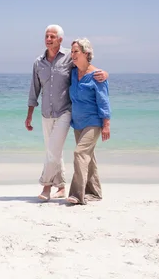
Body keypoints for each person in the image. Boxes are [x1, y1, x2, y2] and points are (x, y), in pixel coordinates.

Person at [26, 25, 108, 201]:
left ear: (59, 39)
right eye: (46, 36)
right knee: (53, 150)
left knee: (54, 149)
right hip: (46, 112)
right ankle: (62, 186)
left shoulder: (70, 57)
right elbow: (34, 89)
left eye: (52, 36)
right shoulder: (38, 62)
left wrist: (104, 73)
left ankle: (46, 186)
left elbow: (86, 65)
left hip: (65, 111)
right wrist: (29, 114)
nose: (48, 39)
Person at [66, 38, 111, 205]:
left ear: (86, 53)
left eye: (76, 52)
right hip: (78, 123)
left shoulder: (97, 75)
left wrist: (106, 124)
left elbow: (104, 101)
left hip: (93, 122)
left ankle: (77, 195)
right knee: (88, 158)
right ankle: (95, 192)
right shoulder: (73, 72)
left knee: (79, 153)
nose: (73, 55)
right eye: (71, 52)